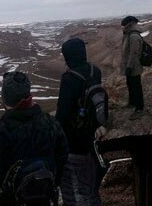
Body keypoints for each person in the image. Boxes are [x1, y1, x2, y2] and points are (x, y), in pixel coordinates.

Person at [0, 71, 68, 206]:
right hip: (47, 194)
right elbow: (63, 155)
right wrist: (55, 182)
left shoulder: (3, 131)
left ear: (6, 100)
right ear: (29, 96)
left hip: (13, 199)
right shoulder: (50, 123)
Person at [56, 38, 107, 205]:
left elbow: (63, 114)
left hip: (74, 141)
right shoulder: (95, 71)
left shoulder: (69, 78)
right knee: (90, 184)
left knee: (74, 187)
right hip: (92, 136)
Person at [120, 16, 145, 120]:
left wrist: (129, 67)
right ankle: (132, 102)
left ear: (128, 25)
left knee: (136, 86)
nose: (122, 27)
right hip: (129, 66)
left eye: (123, 25)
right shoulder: (128, 34)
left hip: (133, 66)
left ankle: (139, 108)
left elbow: (134, 53)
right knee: (130, 84)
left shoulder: (134, 36)